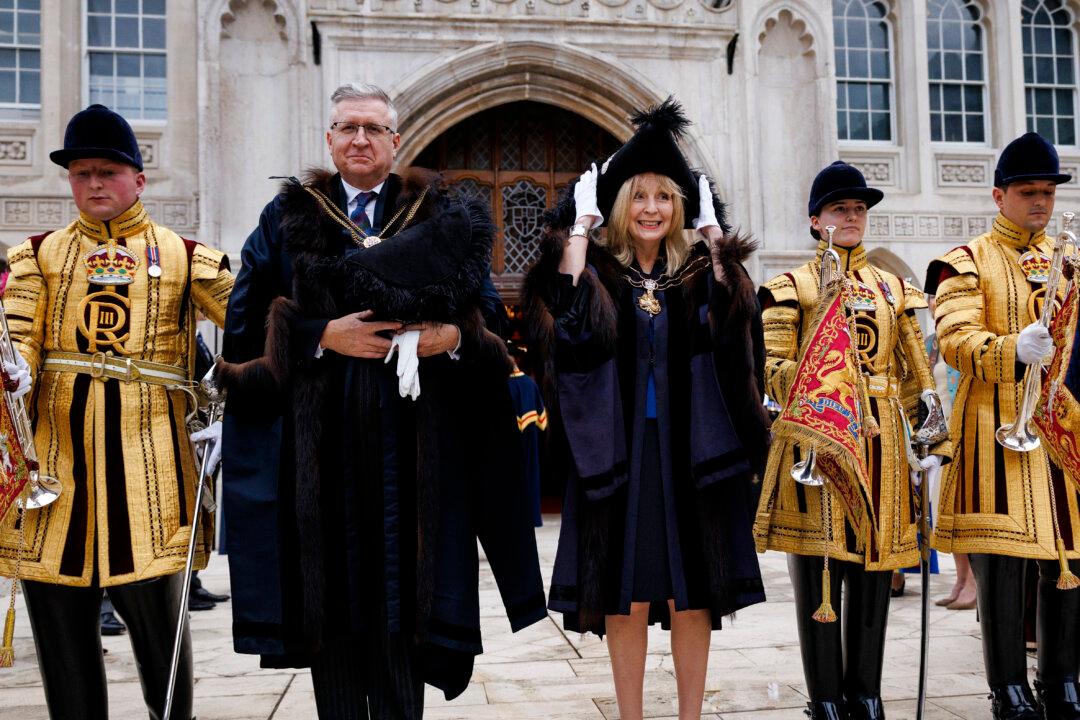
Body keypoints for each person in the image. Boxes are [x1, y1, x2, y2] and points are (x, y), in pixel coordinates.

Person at [219, 83, 545, 719]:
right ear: (329, 139)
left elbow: (489, 320)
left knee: (405, 613)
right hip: (320, 456)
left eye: (373, 128)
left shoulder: (437, 215)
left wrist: (450, 336)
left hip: (414, 455)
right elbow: (242, 326)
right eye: (347, 128)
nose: (360, 139)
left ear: (397, 142)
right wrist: (320, 337)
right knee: (333, 612)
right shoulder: (287, 219)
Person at [524, 99, 769, 720]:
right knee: (623, 591)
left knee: (695, 593)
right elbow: (569, 339)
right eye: (639, 197)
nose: (652, 209)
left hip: (695, 454)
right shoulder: (602, 273)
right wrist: (578, 233)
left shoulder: (695, 273)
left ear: (681, 208)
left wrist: (717, 241)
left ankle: (690, 714)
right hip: (617, 451)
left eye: (665, 197)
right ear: (619, 206)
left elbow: (738, 332)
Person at [0, 104, 233, 720]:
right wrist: (13, 370)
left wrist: (225, 400)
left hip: (150, 470)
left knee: (162, 633)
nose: (94, 183)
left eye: (106, 171)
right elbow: (16, 332)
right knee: (61, 635)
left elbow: (254, 327)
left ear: (138, 178)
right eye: (81, 173)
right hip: (54, 474)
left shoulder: (188, 256)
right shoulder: (37, 255)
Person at [754, 161, 951, 720]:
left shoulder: (894, 289)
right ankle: (824, 698)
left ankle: (866, 691)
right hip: (815, 444)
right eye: (841, 209)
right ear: (816, 220)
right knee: (821, 576)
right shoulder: (790, 287)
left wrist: (930, 429)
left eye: (859, 209)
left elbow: (916, 369)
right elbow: (773, 370)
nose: (852, 218)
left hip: (883, 445)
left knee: (875, 569)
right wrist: (827, 385)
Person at [925, 132, 1080, 720]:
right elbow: (957, 339)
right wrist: (1013, 346)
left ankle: (1063, 680)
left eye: (1046, 192)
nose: (1039, 202)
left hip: (1062, 429)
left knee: (1069, 557)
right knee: (1003, 561)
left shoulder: (1072, 263)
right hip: (996, 429)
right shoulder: (966, 261)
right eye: (1027, 192)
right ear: (999, 195)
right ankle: (1008, 688)